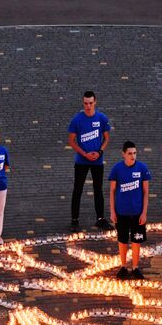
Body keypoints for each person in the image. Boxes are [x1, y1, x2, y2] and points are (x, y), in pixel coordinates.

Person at [66, 91, 112, 231]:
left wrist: (99, 152)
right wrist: (85, 154)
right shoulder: (76, 120)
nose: (88, 106)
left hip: (97, 161)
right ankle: (75, 220)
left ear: (95, 102)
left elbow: (106, 138)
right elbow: (71, 141)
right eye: (85, 103)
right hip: (81, 161)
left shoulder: (102, 118)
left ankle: (100, 219)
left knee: (98, 190)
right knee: (77, 190)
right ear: (83, 102)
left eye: (90, 103)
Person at [107, 142, 153, 280]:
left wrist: (144, 212)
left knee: (136, 240)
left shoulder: (142, 168)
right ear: (123, 154)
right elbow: (112, 191)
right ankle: (123, 266)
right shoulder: (116, 169)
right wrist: (112, 211)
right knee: (122, 240)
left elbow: (146, 193)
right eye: (130, 153)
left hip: (137, 213)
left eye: (134, 153)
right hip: (121, 212)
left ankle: (135, 267)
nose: (133, 156)